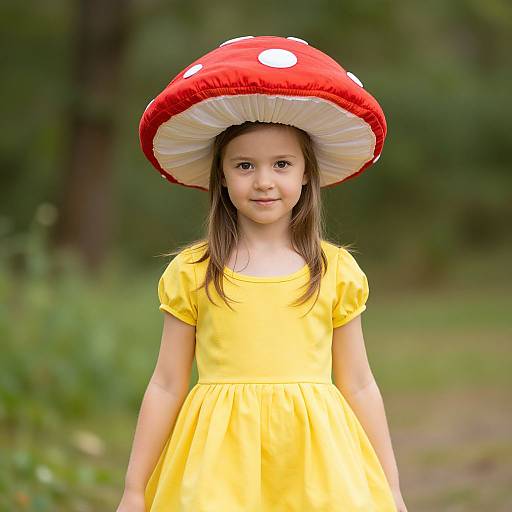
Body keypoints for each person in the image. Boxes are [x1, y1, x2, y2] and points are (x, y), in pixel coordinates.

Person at [117, 35, 408, 512]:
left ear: (306, 174)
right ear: (223, 177)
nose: (264, 181)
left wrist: (391, 486)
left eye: (282, 164)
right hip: (219, 462)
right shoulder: (194, 272)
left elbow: (357, 382)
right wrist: (133, 489)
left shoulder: (333, 270)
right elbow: (167, 382)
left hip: (314, 462)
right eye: (245, 165)